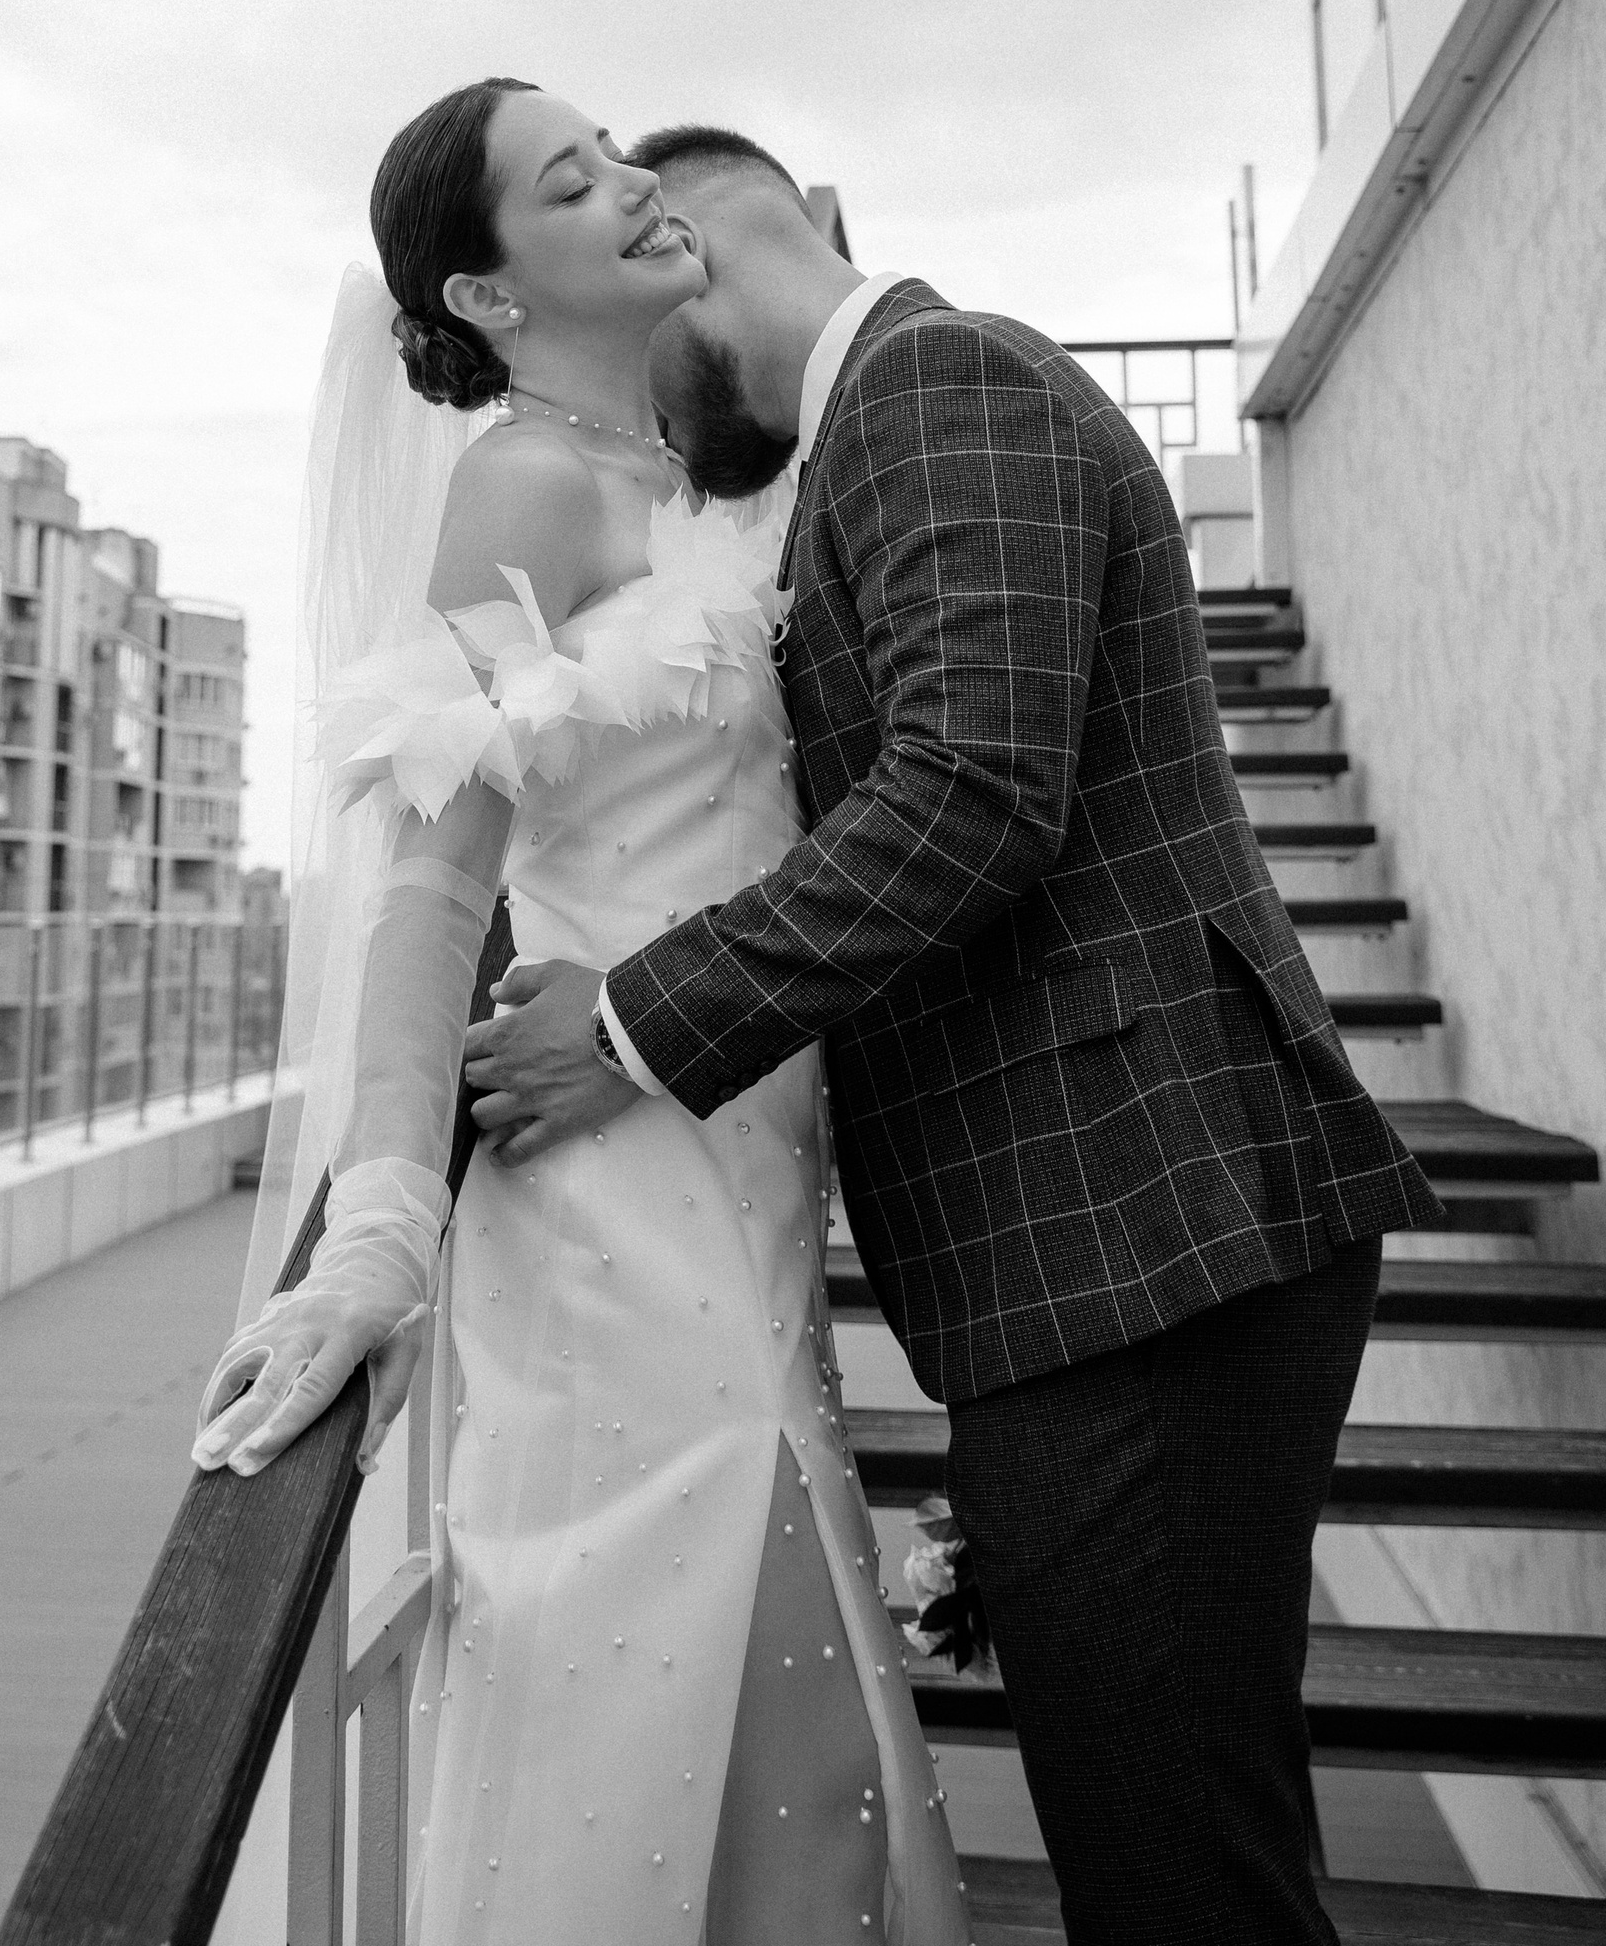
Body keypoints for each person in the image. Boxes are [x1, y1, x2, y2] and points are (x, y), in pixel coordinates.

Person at [464, 125, 1450, 1946]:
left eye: (657, 387)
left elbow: (971, 792)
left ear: (702, 249)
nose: (659, 441)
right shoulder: (891, 423)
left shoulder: (940, 382)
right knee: (1180, 1843)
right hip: (1105, 1248)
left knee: (1182, 1884)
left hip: (1145, 1232)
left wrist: (630, 1021)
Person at [193, 80, 968, 1946]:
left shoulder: (688, 480)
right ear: (488, 295)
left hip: (743, 1168)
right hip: (615, 1207)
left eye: (615, 152)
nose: (631, 183)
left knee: (784, 1717)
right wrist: (381, 1227)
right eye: (572, 183)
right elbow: (433, 881)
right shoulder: (522, 486)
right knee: (718, 1708)